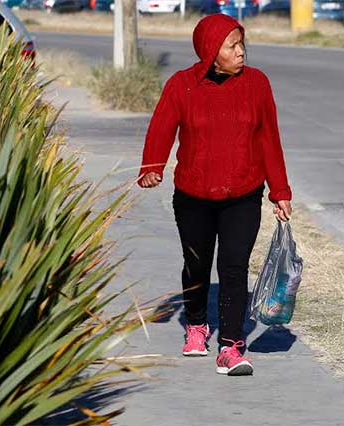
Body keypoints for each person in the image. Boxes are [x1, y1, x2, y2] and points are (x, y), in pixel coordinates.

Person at [138, 13, 292, 376]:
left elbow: (269, 138)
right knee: (197, 264)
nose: (241, 53)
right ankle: (196, 325)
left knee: (234, 268)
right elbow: (162, 125)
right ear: (210, 51)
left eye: (242, 45)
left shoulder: (257, 84)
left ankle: (232, 347)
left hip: (243, 193)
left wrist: (279, 190)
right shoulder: (181, 85)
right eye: (232, 46)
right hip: (193, 194)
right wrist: (152, 166)